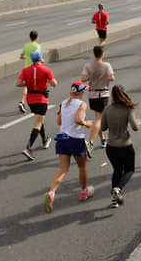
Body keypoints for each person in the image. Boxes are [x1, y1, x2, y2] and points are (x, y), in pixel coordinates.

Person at [43, 81, 94, 213]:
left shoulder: (64, 103)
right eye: (84, 90)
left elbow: (59, 121)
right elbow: (77, 120)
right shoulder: (82, 104)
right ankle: (83, 192)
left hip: (63, 139)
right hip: (76, 139)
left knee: (63, 170)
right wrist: (86, 123)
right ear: (81, 92)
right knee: (82, 166)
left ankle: (52, 193)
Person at [100, 84, 141, 207]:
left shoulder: (107, 109)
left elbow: (103, 127)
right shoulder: (128, 109)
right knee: (129, 169)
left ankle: (114, 199)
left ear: (112, 96)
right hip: (125, 145)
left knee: (117, 170)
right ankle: (118, 188)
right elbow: (135, 128)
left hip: (111, 147)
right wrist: (137, 122)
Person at [17, 51, 57, 161]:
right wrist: (45, 80)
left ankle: (44, 140)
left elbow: (18, 83)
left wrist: (29, 83)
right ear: (40, 59)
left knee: (38, 119)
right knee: (38, 123)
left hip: (30, 99)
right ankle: (28, 148)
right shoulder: (45, 70)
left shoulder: (26, 70)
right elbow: (54, 83)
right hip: (41, 99)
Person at [82, 45, 115, 150]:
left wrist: (91, 77)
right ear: (102, 54)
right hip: (103, 94)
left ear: (94, 54)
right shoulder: (106, 65)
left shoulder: (88, 65)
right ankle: (90, 142)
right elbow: (112, 78)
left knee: (98, 117)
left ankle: (103, 139)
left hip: (92, 94)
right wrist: (107, 78)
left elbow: (83, 79)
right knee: (99, 119)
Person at [18, 30, 41, 114]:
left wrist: (27, 58)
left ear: (30, 37)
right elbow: (38, 57)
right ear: (37, 37)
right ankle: (35, 104)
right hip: (34, 69)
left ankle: (22, 102)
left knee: (26, 86)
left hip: (26, 68)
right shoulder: (37, 46)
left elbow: (21, 56)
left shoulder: (26, 46)